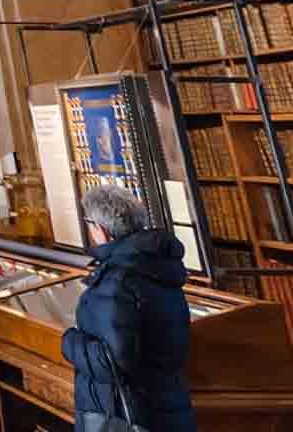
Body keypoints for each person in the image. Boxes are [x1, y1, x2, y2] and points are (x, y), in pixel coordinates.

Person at [62, 185, 195, 432]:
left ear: (101, 229)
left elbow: (113, 361)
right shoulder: (158, 265)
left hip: (125, 415)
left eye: (89, 223)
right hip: (167, 405)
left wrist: (70, 342)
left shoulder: (117, 280)